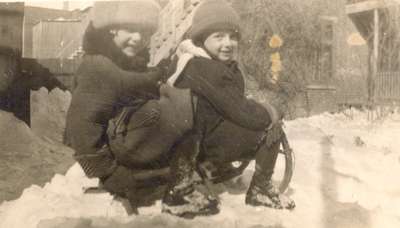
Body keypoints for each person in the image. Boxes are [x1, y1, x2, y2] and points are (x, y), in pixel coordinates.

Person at [161, 0, 295, 218]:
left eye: (233, 37)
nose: (228, 43)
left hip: (194, 137)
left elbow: (227, 102)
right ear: (201, 38)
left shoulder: (191, 61)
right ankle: (260, 189)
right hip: (205, 143)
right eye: (219, 37)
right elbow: (240, 111)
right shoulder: (209, 69)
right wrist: (270, 112)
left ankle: (216, 171)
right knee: (271, 129)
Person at [64, 0, 164, 200]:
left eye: (145, 32)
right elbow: (82, 125)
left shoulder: (125, 63)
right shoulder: (99, 67)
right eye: (130, 29)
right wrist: (110, 173)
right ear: (112, 29)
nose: (138, 38)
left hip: (127, 145)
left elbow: (134, 84)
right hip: (114, 157)